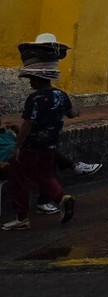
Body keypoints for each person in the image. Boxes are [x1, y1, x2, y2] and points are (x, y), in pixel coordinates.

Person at [3, 72, 80, 230]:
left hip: (31, 146)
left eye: (32, 79)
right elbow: (71, 114)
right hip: (50, 145)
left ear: (40, 79)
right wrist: (78, 112)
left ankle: (22, 218)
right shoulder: (61, 95)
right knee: (45, 176)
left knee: (21, 179)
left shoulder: (35, 98)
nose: (30, 82)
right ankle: (62, 197)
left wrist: (18, 146)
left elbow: (28, 123)